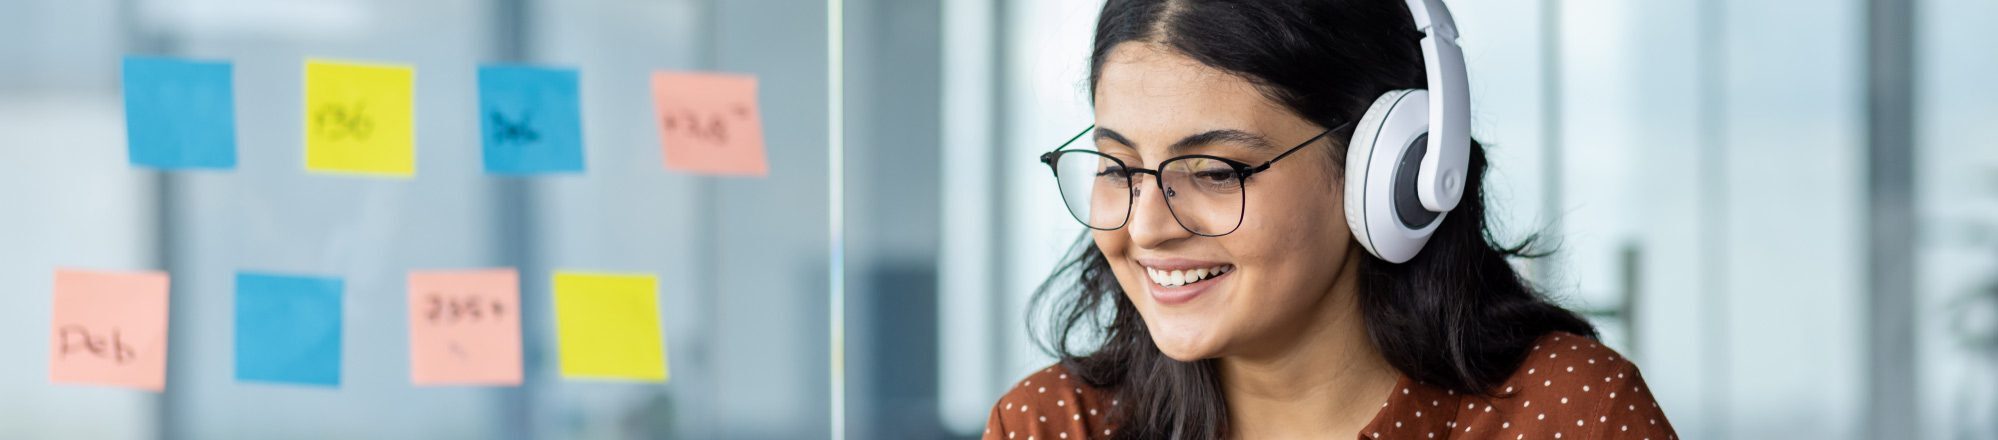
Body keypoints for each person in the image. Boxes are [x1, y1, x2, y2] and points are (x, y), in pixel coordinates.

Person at [984, 0, 1678, 438]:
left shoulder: (1567, 412)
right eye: (1116, 169)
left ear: (1389, 173)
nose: (1146, 228)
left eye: (1216, 172)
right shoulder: (1054, 425)